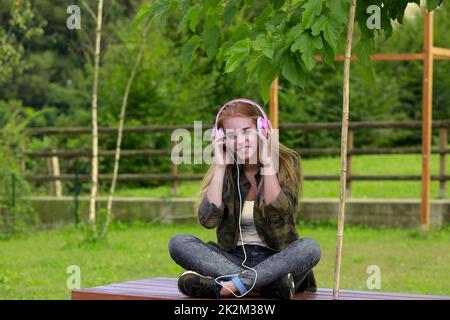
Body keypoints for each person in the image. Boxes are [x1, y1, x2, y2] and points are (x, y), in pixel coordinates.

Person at [168, 98, 321, 299]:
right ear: (221, 139)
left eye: (247, 131)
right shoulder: (227, 170)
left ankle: (227, 284)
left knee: (310, 247)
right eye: (231, 136)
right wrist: (220, 167)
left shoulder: (287, 162)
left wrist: (267, 163)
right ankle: (263, 285)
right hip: (231, 258)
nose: (240, 141)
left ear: (262, 129)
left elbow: (281, 215)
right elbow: (208, 220)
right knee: (179, 242)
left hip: (278, 258)